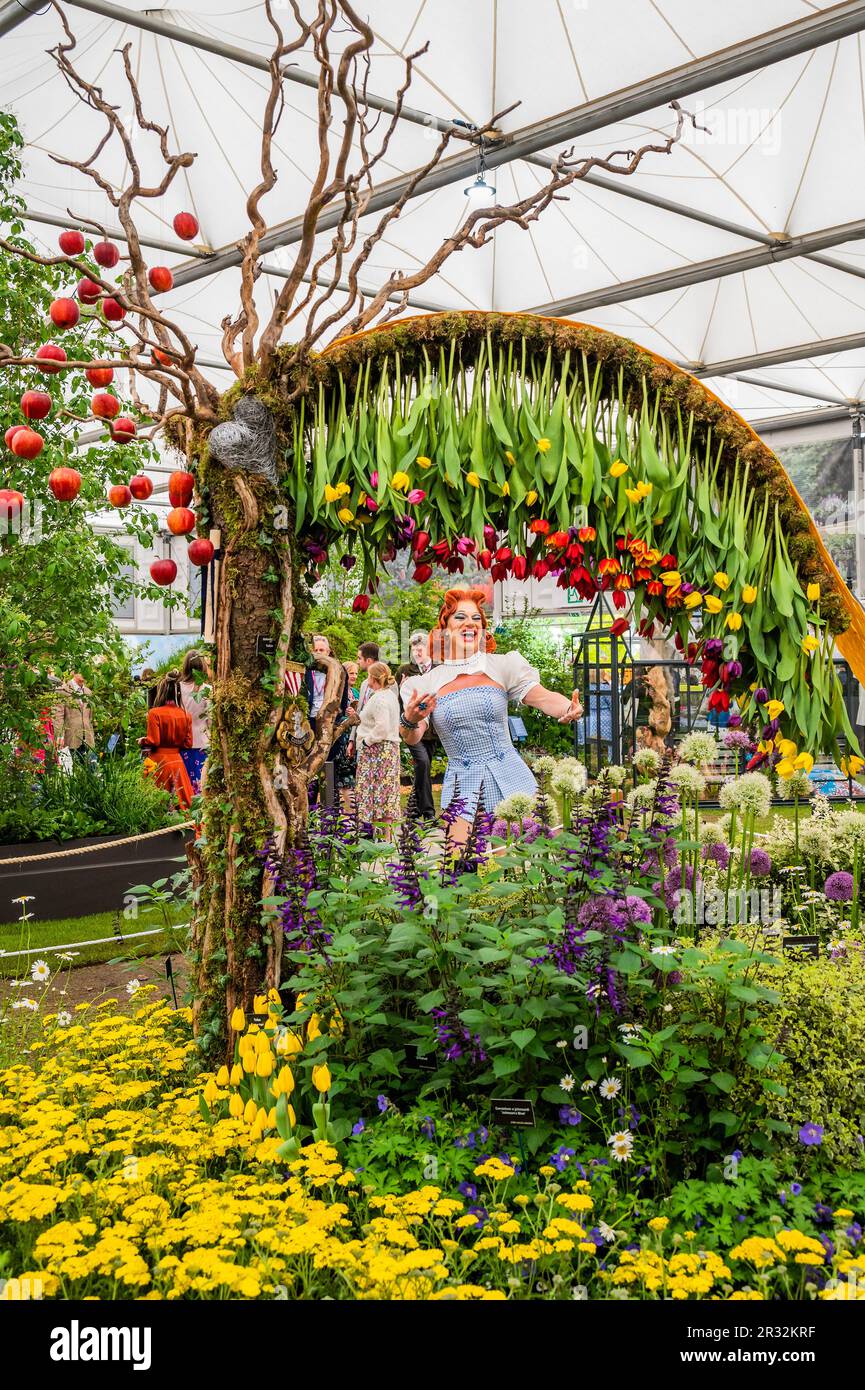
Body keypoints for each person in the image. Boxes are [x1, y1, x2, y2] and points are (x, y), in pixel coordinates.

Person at [400, 589, 582, 844]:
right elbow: (412, 736)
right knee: (462, 869)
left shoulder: (501, 665)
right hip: (461, 785)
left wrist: (567, 708)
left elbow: (542, 697)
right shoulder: (427, 682)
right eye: (460, 616)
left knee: (523, 863)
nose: (470, 623)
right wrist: (409, 719)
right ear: (445, 628)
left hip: (511, 777)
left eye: (476, 619)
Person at [348, 660, 401, 838]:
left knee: (378, 792)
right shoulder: (388, 695)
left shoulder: (379, 698)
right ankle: (384, 836)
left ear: (374, 677)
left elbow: (382, 727)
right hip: (388, 749)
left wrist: (365, 742)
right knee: (385, 792)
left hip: (378, 750)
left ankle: (380, 836)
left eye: (369, 675)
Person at [396, 629, 438, 819]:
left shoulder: (440, 669)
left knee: (424, 767)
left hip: (432, 729)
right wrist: (400, 687)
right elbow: (397, 700)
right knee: (422, 763)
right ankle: (428, 813)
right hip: (411, 727)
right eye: (414, 650)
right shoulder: (404, 671)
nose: (417, 653)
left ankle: (413, 809)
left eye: (420, 649)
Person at [139, 670, 193, 810]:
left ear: (161, 691)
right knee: (182, 804)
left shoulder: (154, 713)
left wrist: (142, 741)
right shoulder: (186, 715)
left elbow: (154, 740)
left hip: (158, 763)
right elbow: (188, 743)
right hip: (177, 763)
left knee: (155, 804)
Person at [304, 634, 348, 804]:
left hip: (329, 723)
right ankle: (310, 810)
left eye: (322, 650)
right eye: (315, 650)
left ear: (328, 652)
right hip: (309, 723)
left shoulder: (339, 670)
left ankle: (329, 815)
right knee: (310, 767)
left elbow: (343, 701)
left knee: (328, 769)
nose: (318, 653)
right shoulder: (307, 670)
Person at [179, 649, 211, 794]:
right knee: (200, 789)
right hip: (202, 744)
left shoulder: (176, 688)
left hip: (180, 744)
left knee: (181, 788)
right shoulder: (208, 690)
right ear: (203, 666)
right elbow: (211, 720)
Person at [52, 674, 96, 762]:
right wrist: (59, 736)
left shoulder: (88, 692)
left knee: (92, 771)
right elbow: (57, 716)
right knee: (71, 771)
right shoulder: (62, 690)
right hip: (71, 739)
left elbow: (90, 717)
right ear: (74, 673)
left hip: (88, 739)